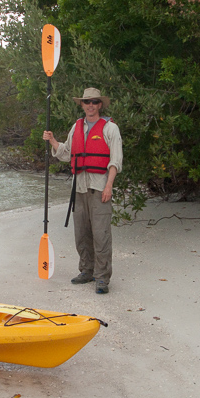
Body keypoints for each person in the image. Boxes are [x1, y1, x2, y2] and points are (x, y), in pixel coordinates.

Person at [43, 87, 123, 294]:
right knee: (82, 234)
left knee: (101, 234)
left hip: (99, 188)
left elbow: (115, 160)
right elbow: (66, 153)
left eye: (95, 102)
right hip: (78, 188)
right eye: (87, 102)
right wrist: (52, 140)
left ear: (100, 105)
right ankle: (87, 270)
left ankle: (102, 277)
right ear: (82, 105)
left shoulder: (110, 129)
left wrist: (109, 186)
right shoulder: (76, 126)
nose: (91, 106)